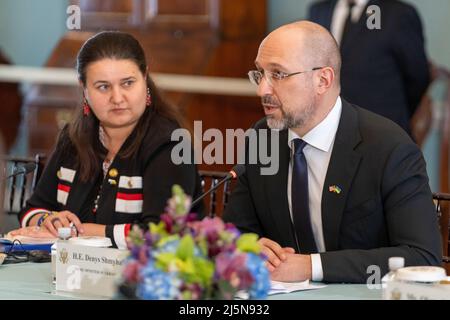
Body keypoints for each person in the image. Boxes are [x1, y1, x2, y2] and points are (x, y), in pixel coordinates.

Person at [222, 21, 441, 283]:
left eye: (278, 74)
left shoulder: (388, 148)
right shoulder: (262, 138)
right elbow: (235, 233)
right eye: (260, 74)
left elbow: (422, 257)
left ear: (322, 80)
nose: (262, 89)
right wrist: (249, 248)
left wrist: (311, 266)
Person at [11, 31, 204, 249]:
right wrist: (49, 221)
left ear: (145, 77)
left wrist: (79, 232)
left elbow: (162, 233)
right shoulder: (73, 139)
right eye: (103, 86)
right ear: (84, 89)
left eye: (128, 83)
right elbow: (32, 209)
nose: (117, 98)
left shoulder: (170, 143)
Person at [308, 0, 430, 135]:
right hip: (328, 132)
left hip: (381, 133)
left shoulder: (398, 14)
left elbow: (418, 77)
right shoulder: (319, 11)